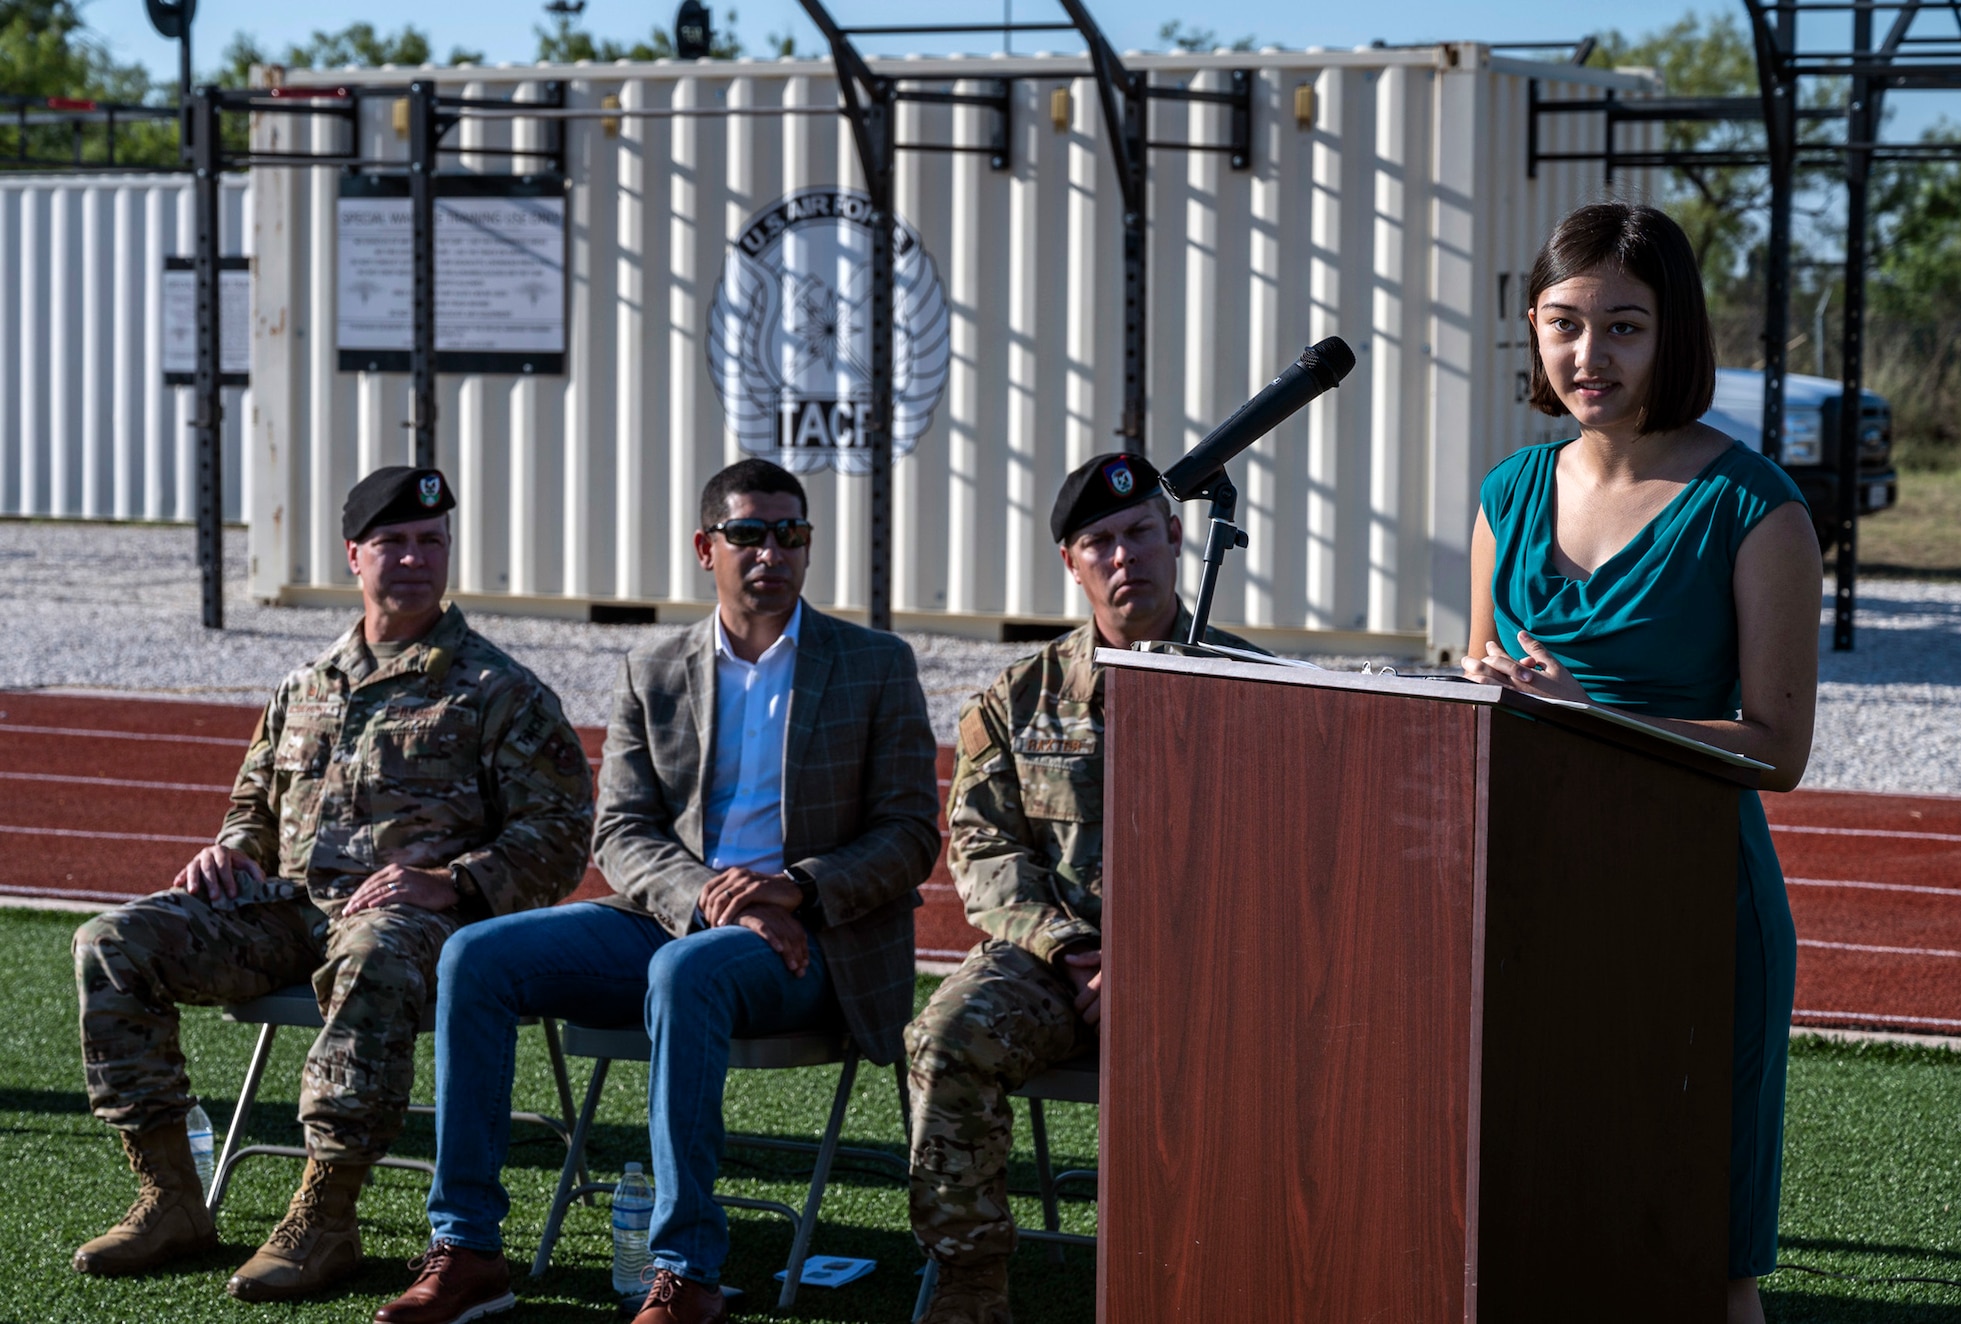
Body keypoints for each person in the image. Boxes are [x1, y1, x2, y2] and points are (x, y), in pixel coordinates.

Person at [377, 457, 940, 1324]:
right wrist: (719, 898)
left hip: (817, 944)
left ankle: (688, 1273)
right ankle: (469, 1249)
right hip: (677, 917)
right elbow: (622, 833)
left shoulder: (874, 663)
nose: (772, 553)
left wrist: (794, 889)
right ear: (704, 547)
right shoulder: (654, 665)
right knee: (473, 957)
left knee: (689, 975)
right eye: (748, 534)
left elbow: (909, 835)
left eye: (791, 534)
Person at [71, 466, 596, 1301]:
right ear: (355, 555)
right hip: (288, 915)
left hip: (425, 927)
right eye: (394, 542)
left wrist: (451, 881)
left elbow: (564, 833)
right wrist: (231, 850)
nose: (416, 559)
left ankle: (327, 1215)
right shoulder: (307, 685)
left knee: (374, 949)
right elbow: (254, 803)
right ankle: (170, 1198)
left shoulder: (500, 691)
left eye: (432, 542)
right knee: (112, 941)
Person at [1461, 203, 1820, 1324]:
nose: (1587, 355)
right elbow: (1477, 682)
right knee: (1527, 1225)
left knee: (1702, 1265)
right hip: (1526, 911)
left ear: (1673, 336)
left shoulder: (1754, 507)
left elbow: (1777, 749)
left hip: (1692, 914)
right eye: (1563, 324)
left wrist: (1592, 717)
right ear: (1530, 327)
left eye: (1622, 326)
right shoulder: (1504, 495)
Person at [904, 453, 1265, 1324]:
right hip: (1058, 962)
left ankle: (1247, 1272)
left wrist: (1164, 963)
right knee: (945, 1037)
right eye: (1098, 542)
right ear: (1072, 564)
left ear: (1175, 537)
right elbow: (983, 851)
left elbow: (1283, 865)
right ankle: (972, 1285)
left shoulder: (1260, 688)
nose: (1123, 556)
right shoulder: (1016, 700)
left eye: (1140, 532)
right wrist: (1073, 950)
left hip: (1215, 968)